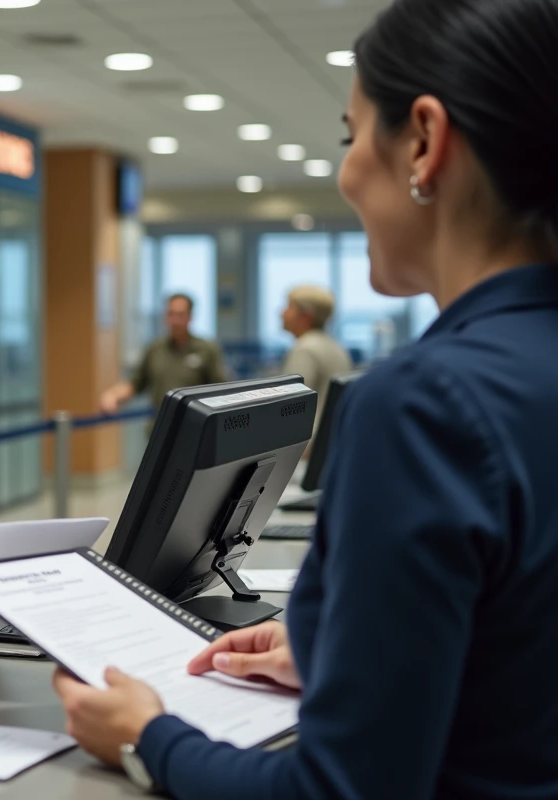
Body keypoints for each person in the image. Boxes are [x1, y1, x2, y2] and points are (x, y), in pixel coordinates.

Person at [54, 0, 558, 797]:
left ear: (424, 142)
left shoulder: (426, 403)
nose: (347, 170)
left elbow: (339, 789)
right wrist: (345, 657)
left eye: (352, 136)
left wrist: (147, 736)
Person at [100, 294, 228, 415]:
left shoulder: (206, 349)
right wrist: (113, 395)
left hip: (195, 429)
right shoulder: (155, 349)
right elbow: (136, 383)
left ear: (190, 317)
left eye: (180, 314)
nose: (175, 320)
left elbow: (223, 390)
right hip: (160, 428)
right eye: (170, 314)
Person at [279, 285, 353, 435]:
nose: (282, 313)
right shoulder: (336, 347)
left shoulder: (304, 350)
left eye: (289, 307)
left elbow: (290, 408)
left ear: (305, 316)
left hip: (306, 444)